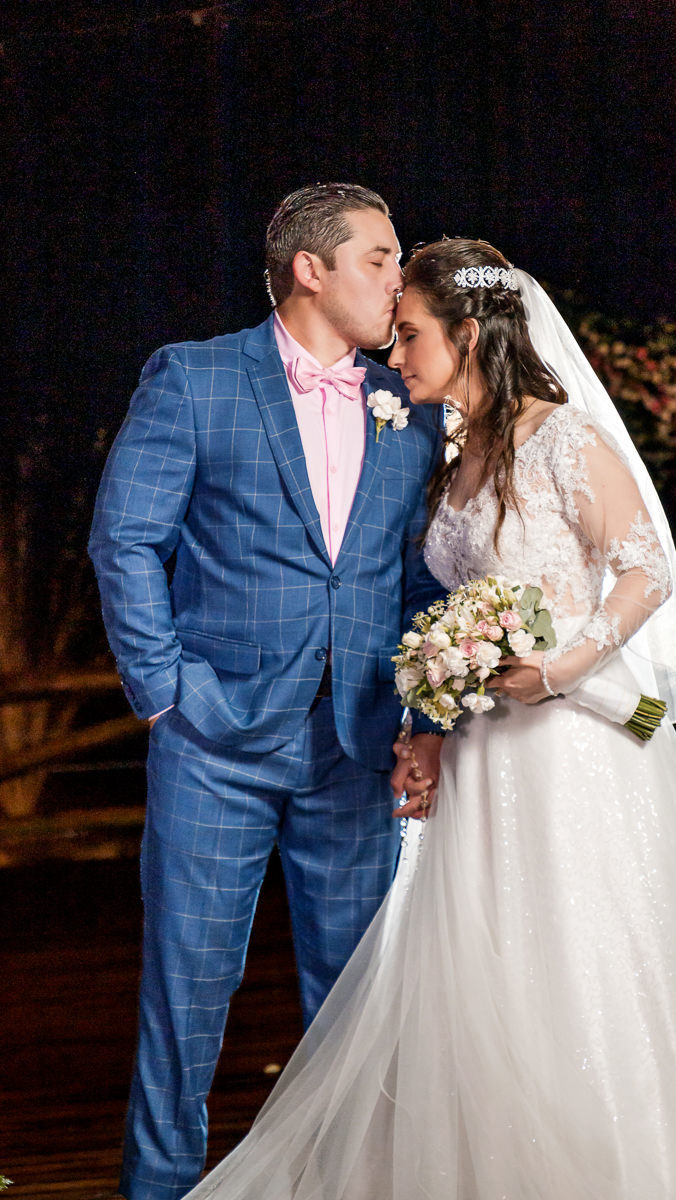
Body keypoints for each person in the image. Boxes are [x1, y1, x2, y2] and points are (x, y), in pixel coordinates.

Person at [181, 238, 676, 1199]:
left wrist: (564, 667)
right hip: (480, 758)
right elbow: (450, 605)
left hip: (571, 752)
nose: (394, 354)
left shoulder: (564, 437)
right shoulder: (453, 453)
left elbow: (646, 571)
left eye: (411, 336)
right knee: (479, 967)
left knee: (576, 952)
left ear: (468, 335)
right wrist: (431, 721)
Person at [88, 184, 445, 1200]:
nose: (399, 277)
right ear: (309, 269)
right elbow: (126, 541)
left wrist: (419, 718)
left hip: (356, 747)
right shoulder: (195, 378)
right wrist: (166, 694)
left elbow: (421, 581)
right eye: (379, 257)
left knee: (354, 1004)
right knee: (187, 996)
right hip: (215, 742)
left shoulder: (408, 407)